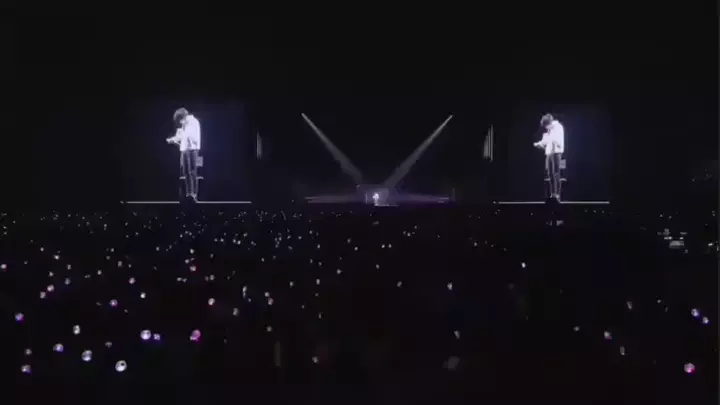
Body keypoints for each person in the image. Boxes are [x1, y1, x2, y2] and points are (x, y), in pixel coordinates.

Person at [166, 108, 202, 201]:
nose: (180, 123)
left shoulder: (193, 122)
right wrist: (173, 139)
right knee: (186, 172)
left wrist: (184, 135)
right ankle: (189, 193)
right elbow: (181, 136)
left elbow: (192, 137)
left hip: (193, 149)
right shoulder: (185, 124)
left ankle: (194, 194)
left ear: (183, 117)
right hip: (185, 150)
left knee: (193, 172)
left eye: (180, 120)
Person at [533, 114, 564, 200]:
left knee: (556, 174)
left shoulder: (558, 127)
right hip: (549, 153)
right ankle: (552, 194)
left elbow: (557, 141)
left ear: (549, 123)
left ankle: (557, 195)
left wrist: (550, 139)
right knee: (550, 174)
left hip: (556, 153)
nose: (546, 128)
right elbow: (546, 140)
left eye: (546, 126)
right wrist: (538, 144)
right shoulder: (549, 129)